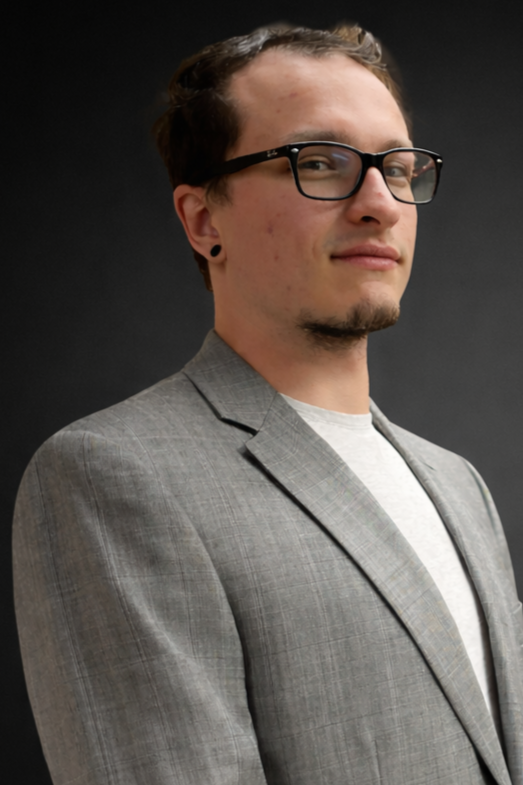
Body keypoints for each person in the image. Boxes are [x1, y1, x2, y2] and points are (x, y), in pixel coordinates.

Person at [13, 23, 523, 785]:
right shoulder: (111, 477)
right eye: (319, 163)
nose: (379, 202)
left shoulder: (458, 484)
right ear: (202, 219)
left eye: (398, 166)